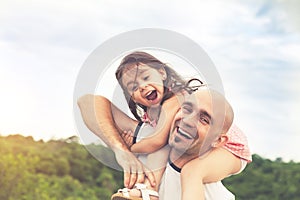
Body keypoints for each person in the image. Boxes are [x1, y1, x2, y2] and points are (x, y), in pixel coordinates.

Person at [77, 51, 251, 199]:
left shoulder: (175, 100)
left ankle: (149, 191)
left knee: (193, 171)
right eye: (133, 87)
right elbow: (87, 102)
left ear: (162, 73)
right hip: (202, 140)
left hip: (232, 148)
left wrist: (131, 148)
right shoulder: (152, 120)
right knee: (164, 147)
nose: (143, 87)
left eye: (146, 77)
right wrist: (119, 149)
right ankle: (149, 190)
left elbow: (157, 141)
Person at [112, 89, 241, 200]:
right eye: (187, 109)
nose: (188, 121)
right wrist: (120, 149)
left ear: (218, 141)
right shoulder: (149, 143)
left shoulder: (212, 194)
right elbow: (95, 105)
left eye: (204, 119)